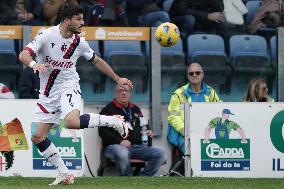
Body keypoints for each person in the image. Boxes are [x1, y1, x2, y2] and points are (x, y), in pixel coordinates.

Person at [18, 4, 132, 185]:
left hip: (68, 86)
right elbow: (23, 55)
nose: (83, 22)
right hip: (48, 93)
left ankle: (114, 120)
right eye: (78, 19)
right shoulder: (47, 35)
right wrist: (34, 65)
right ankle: (64, 173)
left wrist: (117, 79)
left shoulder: (79, 42)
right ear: (66, 20)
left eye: (82, 18)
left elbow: (97, 61)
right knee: (38, 137)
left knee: (71, 121)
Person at [99, 84, 166, 176]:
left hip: (136, 148)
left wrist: (148, 133)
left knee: (160, 153)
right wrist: (120, 141)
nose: (124, 93)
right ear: (116, 93)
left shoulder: (136, 109)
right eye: (120, 91)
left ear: (130, 93)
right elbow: (103, 132)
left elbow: (144, 126)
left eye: (126, 91)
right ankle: (128, 181)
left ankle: (141, 180)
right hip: (114, 147)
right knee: (122, 152)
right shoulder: (107, 110)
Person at [167, 62, 221, 175]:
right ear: (187, 76)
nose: (194, 75)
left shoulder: (211, 92)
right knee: (196, 151)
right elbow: (173, 117)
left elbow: (220, 110)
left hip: (206, 134)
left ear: (202, 74)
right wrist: (187, 132)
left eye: (197, 72)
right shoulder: (178, 94)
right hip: (183, 136)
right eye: (191, 73)